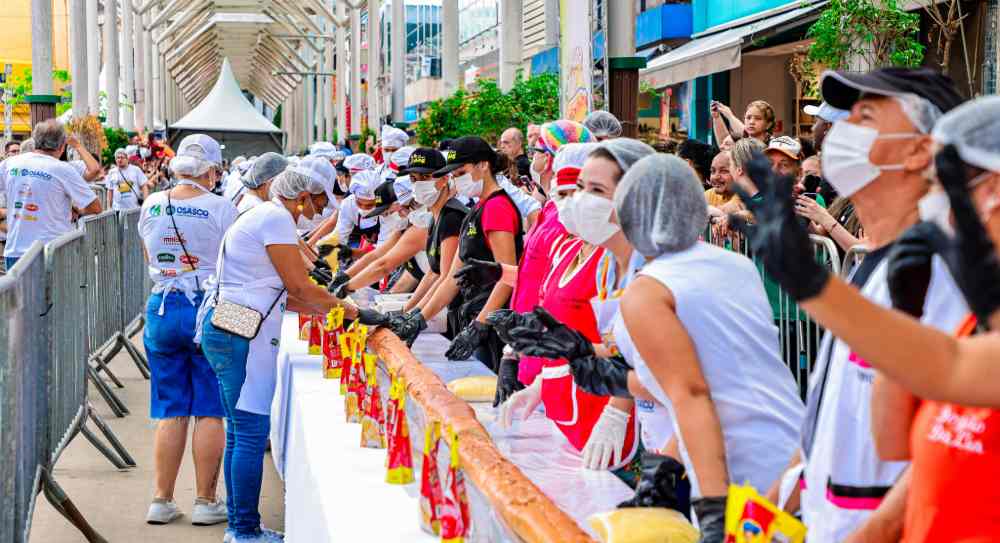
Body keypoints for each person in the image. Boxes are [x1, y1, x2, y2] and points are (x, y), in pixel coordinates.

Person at [733, 95, 1000, 542]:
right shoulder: (972, 328)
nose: (940, 206)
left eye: (950, 186)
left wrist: (816, 288)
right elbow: (895, 439)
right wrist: (904, 312)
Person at [199, 170, 365, 543]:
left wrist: (331, 309)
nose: (321, 208)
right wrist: (352, 311)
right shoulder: (274, 218)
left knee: (242, 432)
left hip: (233, 323)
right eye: (320, 199)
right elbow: (298, 286)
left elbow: (281, 295)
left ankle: (240, 526)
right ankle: (243, 530)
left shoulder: (265, 215)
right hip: (238, 331)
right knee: (250, 433)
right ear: (303, 195)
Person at [138, 134, 236, 527]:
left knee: (170, 407)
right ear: (211, 170)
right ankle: (205, 501)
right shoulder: (221, 207)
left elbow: (149, 253)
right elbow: (233, 263)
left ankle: (161, 500)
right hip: (208, 308)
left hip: (163, 306)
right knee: (210, 407)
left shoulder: (152, 202)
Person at [389, 136, 523, 372]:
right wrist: (419, 318)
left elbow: (508, 276)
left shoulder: (497, 208)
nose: (457, 180)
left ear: (483, 165)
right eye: (454, 175)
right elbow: (452, 276)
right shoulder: (477, 209)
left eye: (461, 172)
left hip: (492, 324)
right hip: (472, 317)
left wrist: (480, 325)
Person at [0, 119, 102, 269]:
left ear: (34, 142)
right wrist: (78, 210)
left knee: (21, 294)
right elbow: (96, 207)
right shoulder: (62, 169)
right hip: (53, 251)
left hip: (15, 252)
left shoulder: (10, 163)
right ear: (62, 147)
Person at [397, 148, 468, 334]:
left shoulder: (452, 217)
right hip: (451, 309)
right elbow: (432, 273)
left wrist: (417, 317)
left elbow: (446, 277)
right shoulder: (435, 216)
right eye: (413, 179)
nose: (419, 184)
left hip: (467, 312)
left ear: (444, 179)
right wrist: (405, 311)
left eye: (425, 177)